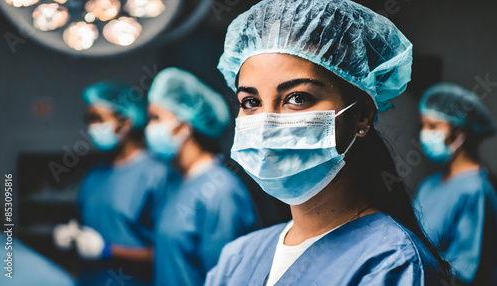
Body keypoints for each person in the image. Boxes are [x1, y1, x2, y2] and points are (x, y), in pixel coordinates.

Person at [205, 0, 450, 285]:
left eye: (297, 98)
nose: (266, 123)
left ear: (361, 116)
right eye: (251, 101)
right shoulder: (238, 258)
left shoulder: (394, 264)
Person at [52, 81, 176, 286]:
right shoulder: (94, 177)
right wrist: (73, 236)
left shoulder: (157, 174)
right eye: (89, 120)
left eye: (98, 119)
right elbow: (89, 228)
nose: (92, 128)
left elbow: (168, 254)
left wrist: (109, 251)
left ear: (125, 123)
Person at [145, 67, 259, 286]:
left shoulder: (220, 190)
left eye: (156, 118)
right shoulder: (176, 182)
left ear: (183, 126)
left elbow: (225, 278)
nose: (148, 128)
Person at [415, 83, 497, 285]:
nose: (424, 134)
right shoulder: (429, 184)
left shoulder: (476, 190)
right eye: (423, 125)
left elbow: (465, 271)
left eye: (433, 126)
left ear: (458, 132)